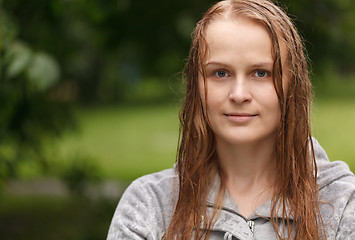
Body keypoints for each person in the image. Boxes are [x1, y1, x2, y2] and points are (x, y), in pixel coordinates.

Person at [107, 0, 355, 239]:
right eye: (220, 73)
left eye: (261, 73)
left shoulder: (341, 203)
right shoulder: (149, 205)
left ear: (293, 85)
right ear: (196, 86)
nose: (238, 94)